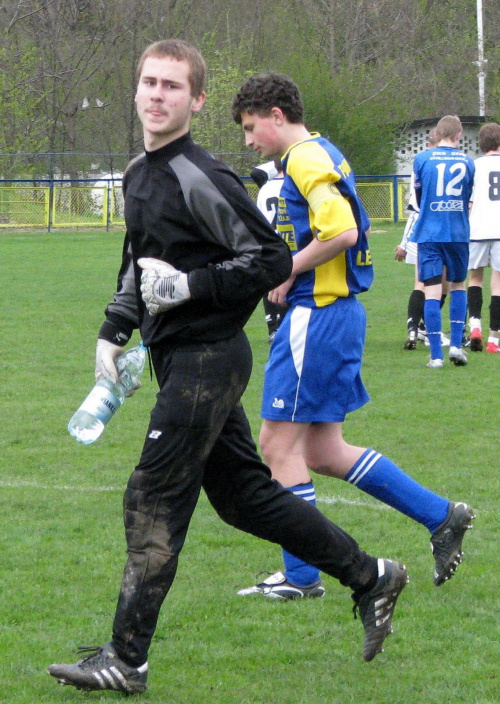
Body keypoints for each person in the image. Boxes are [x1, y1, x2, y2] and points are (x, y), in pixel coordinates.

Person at [47, 41, 410, 694]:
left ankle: (127, 659)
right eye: (149, 83)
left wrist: (189, 288)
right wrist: (113, 330)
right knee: (245, 498)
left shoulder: (202, 176)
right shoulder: (138, 174)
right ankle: (372, 576)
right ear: (136, 91)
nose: (157, 95)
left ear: (197, 100)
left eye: (172, 87)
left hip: (207, 361)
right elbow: (140, 265)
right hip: (176, 359)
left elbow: (270, 261)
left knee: (152, 497)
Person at [231, 73, 475, 601]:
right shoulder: (322, 151)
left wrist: (287, 269)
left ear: (276, 115)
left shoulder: (301, 157)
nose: (249, 141)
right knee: (321, 449)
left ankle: (300, 576)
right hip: (338, 315)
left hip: (315, 314)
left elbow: (340, 230)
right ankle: (442, 515)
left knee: (275, 445)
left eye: (252, 128)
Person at [408, 115, 475, 368]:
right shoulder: (468, 162)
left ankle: (436, 355)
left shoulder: (422, 159)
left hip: (430, 233)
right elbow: (467, 196)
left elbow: (419, 196)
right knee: (458, 286)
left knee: (433, 290)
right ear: (458, 135)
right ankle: (456, 346)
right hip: (457, 232)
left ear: (436, 134)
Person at [395, 129, 450, 350]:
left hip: (420, 230)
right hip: (437, 230)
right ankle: (427, 330)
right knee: (441, 285)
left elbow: (413, 209)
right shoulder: (435, 163)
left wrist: (405, 241)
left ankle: (414, 330)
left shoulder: (419, 163)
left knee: (422, 283)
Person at [466, 122, 500, 353]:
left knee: (475, 279)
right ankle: (493, 340)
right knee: (497, 286)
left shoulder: (473, 166)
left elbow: (468, 202)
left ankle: (475, 326)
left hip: (477, 229)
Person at [253, 158, 287, 342]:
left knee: (270, 284)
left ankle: (273, 327)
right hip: (288, 239)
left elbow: (256, 171)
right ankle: (284, 324)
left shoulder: (265, 187)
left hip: (268, 240)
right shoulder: (294, 185)